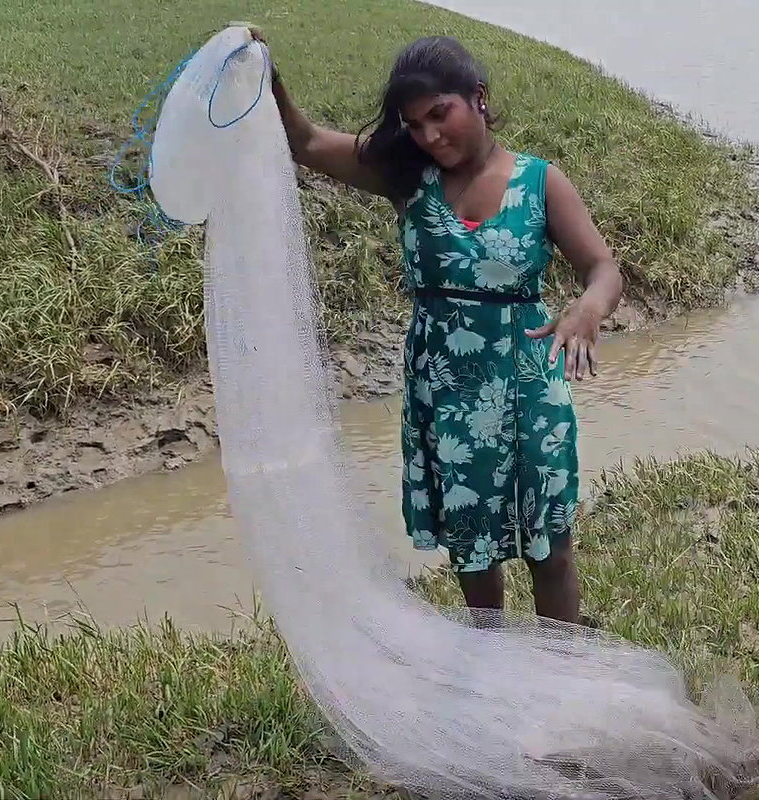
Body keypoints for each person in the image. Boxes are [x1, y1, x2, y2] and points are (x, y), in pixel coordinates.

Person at [254, 30, 624, 626]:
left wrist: (587, 308)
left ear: (477, 97)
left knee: (548, 545)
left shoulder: (539, 181)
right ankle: (492, 663)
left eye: (439, 114)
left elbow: (602, 268)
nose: (429, 135)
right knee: (472, 547)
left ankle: (565, 668)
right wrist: (264, 74)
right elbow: (305, 141)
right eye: (415, 124)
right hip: (446, 387)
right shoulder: (408, 178)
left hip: (528, 380)